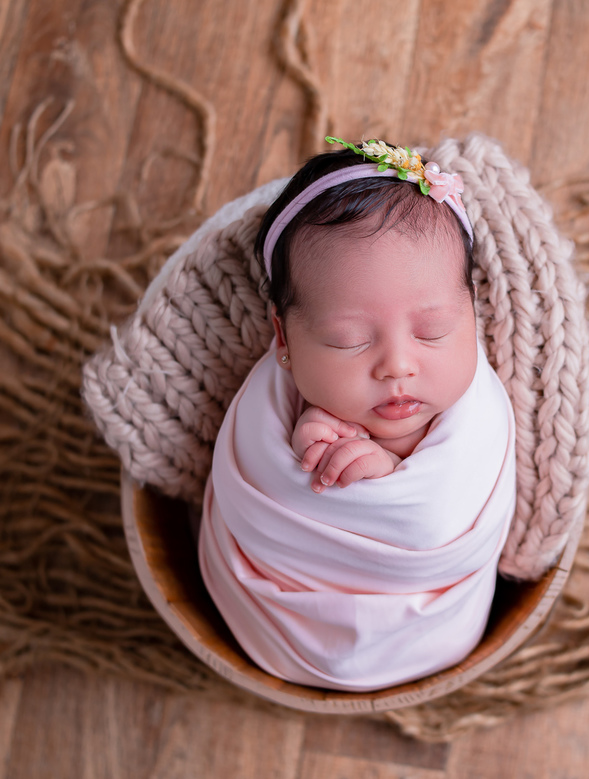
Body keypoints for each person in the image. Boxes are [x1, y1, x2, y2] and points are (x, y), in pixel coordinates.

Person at [197, 138, 517, 692]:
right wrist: (316, 468)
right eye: (347, 341)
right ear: (284, 337)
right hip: (275, 622)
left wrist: (388, 474)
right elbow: (257, 501)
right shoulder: (267, 412)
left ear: (472, 314)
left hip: (428, 620)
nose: (397, 366)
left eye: (433, 331)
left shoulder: (480, 417)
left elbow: (439, 521)